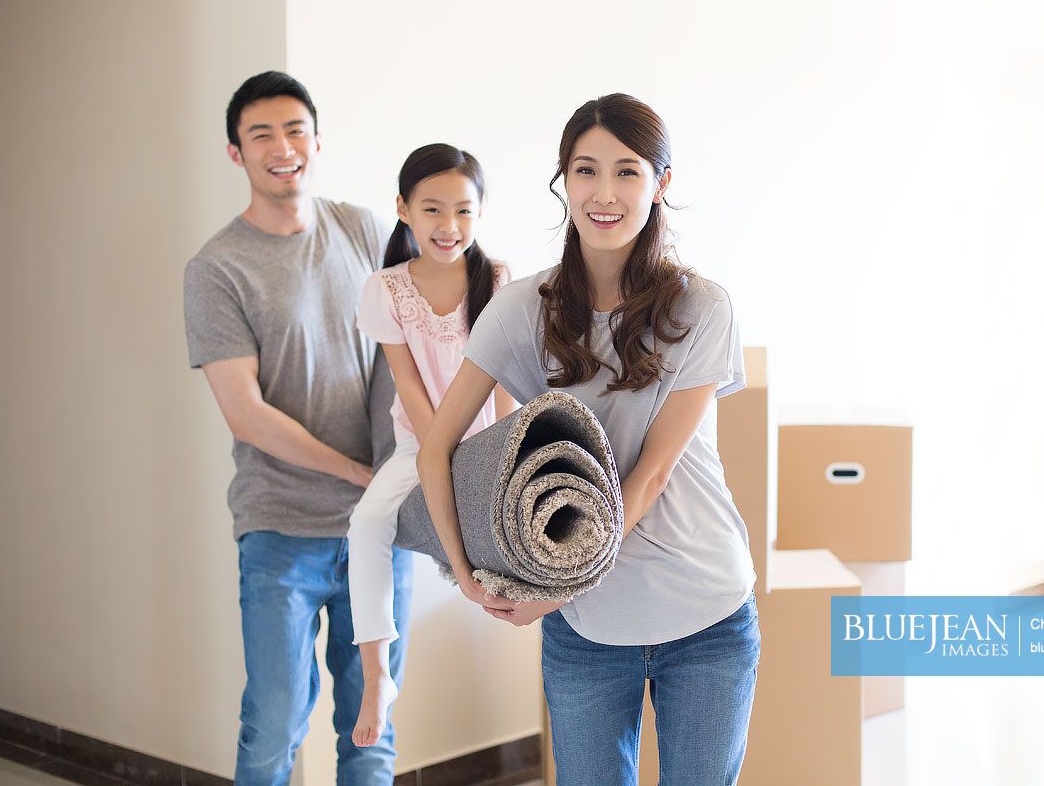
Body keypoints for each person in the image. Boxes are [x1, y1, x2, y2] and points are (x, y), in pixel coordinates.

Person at [416, 94, 761, 786]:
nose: (604, 193)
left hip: (705, 614)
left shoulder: (702, 307)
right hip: (586, 630)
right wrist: (471, 576)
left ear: (660, 184)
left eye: (627, 172)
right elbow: (437, 446)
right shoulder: (519, 311)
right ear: (562, 180)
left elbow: (652, 472)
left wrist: (554, 588)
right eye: (585, 170)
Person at [183, 71, 412, 785]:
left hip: (379, 531)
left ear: (317, 140)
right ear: (235, 153)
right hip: (280, 529)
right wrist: (353, 472)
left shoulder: (364, 230)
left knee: (372, 727)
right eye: (261, 135)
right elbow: (245, 411)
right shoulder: (216, 268)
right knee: (275, 724)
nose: (282, 148)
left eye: (295, 131)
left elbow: (428, 322)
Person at [347, 144, 515, 747]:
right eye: (433, 210)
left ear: (480, 212)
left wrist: (498, 456)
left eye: (464, 212)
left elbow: (502, 387)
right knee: (367, 524)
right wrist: (438, 455)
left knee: (504, 519)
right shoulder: (385, 289)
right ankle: (377, 674)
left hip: (483, 442)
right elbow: (411, 390)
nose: (449, 227)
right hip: (417, 443)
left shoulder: (496, 280)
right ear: (403, 209)